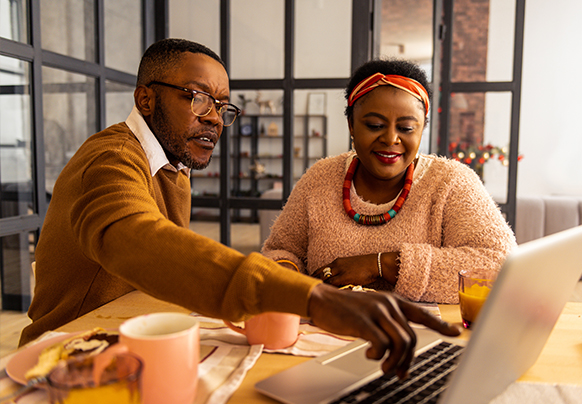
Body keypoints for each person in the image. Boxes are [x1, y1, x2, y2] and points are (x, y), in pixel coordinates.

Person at [20, 39, 459, 378]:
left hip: (136, 340)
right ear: (146, 100)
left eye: (222, 106)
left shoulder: (172, 164)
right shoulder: (112, 158)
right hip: (68, 358)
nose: (214, 118)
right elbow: (136, 239)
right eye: (198, 98)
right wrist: (312, 296)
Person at [262, 58, 516, 303]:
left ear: (422, 129)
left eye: (406, 128)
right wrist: (286, 272)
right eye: (374, 125)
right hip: (327, 332)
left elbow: (501, 265)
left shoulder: (451, 181)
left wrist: (381, 265)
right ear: (351, 124)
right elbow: (280, 251)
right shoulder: (321, 178)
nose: (391, 139)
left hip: (422, 338)